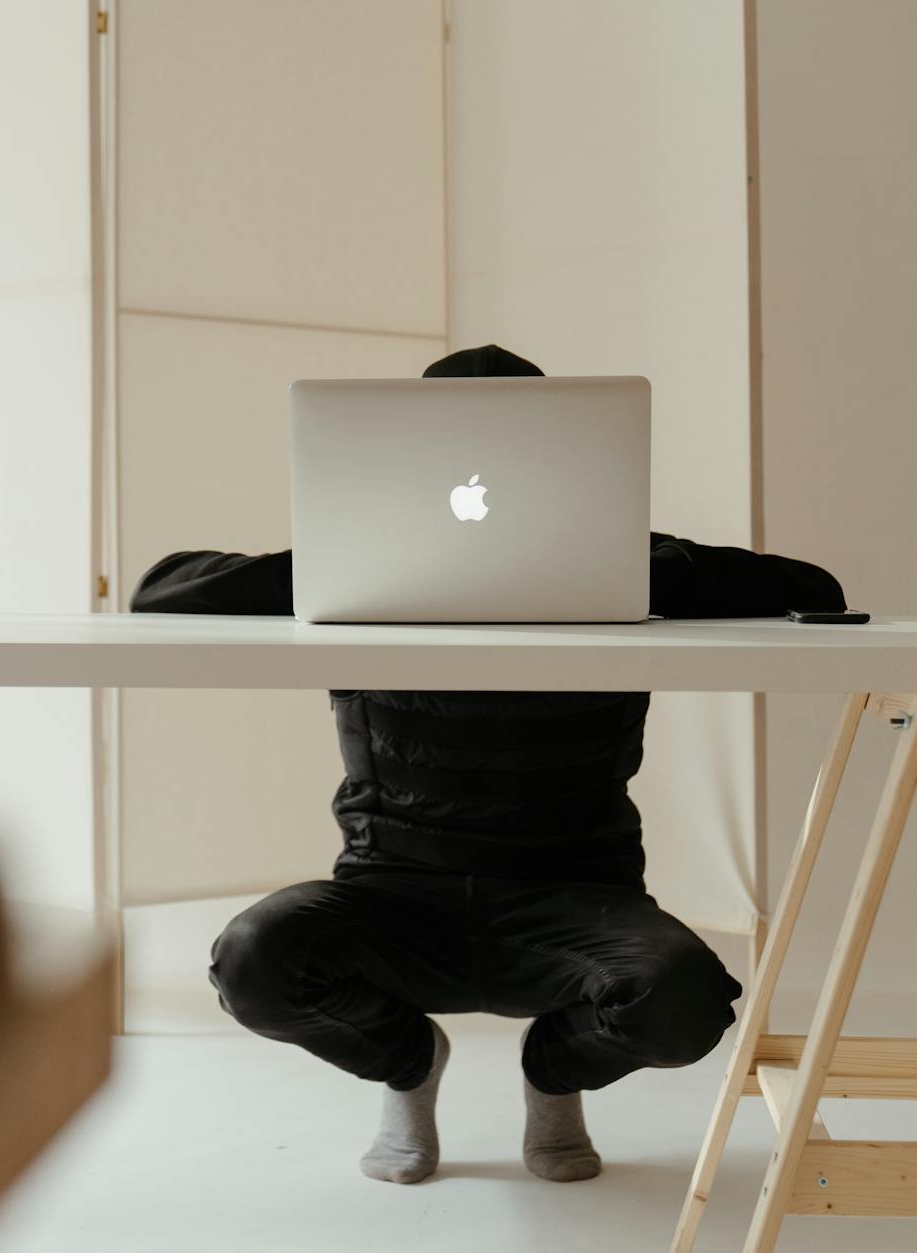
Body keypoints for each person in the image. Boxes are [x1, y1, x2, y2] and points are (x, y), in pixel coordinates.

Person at [130, 344, 848, 1186]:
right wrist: (343, 555)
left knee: (686, 1001)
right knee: (253, 959)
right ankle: (407, 1063)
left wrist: (627, 562)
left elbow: (817, 588)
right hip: (392, 892)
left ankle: (552, 1075)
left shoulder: (625, 565)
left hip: (576, 896)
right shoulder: (360, 567)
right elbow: (160, 590)